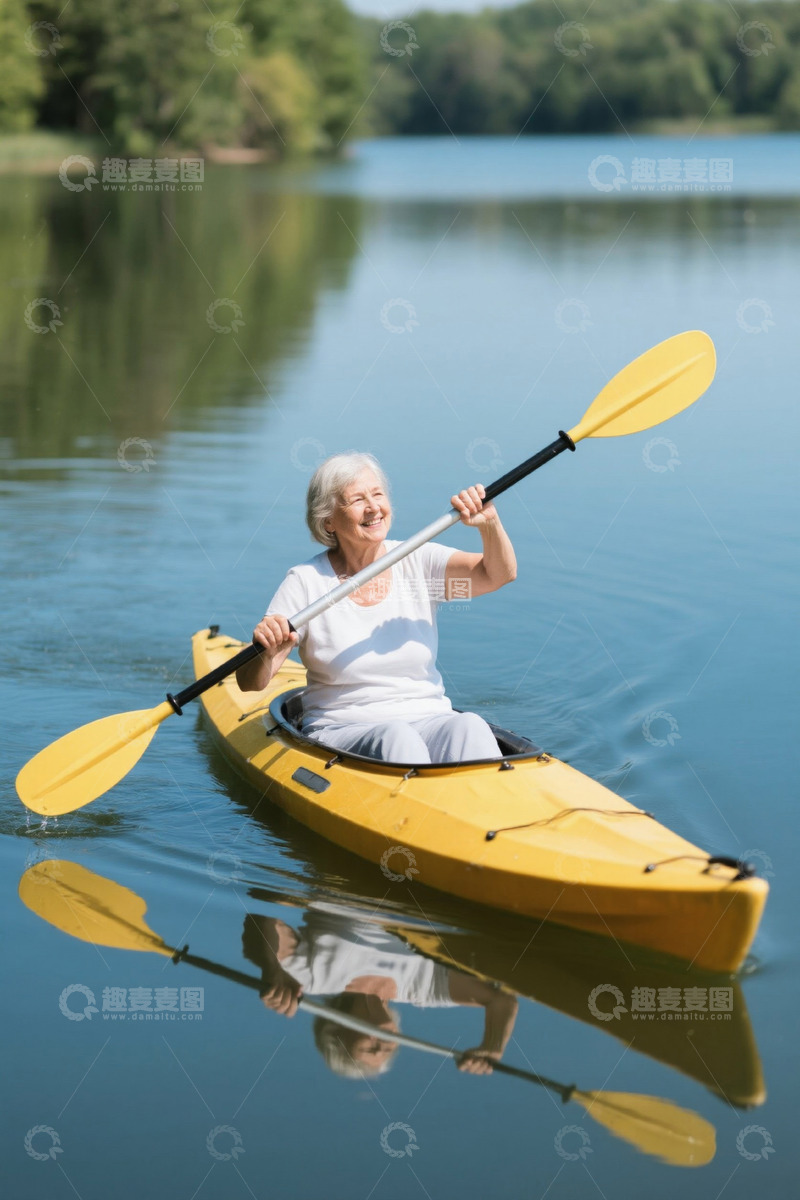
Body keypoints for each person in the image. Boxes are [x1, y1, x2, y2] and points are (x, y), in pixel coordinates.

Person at [236, 451, 517, 763]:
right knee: (397, 737)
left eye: (378, 494)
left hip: (429, 717)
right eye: (357, 499)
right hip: (343, 727)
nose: (373, 508)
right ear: (328, 521)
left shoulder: (418, 561)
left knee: (471, 726)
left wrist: (489, 524)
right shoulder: (305, 583)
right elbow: (250, 682)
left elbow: (498, 574)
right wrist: (266, 648)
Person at [242, 907, 519, 1079]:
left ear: (337, 1033)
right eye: (387, 1048)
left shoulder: (314, 980)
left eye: (369, 1048)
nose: (382, 1043)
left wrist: (272, 969)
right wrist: (493, 1046)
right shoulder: (422, 990)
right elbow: (500, 999)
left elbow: (260, 921)